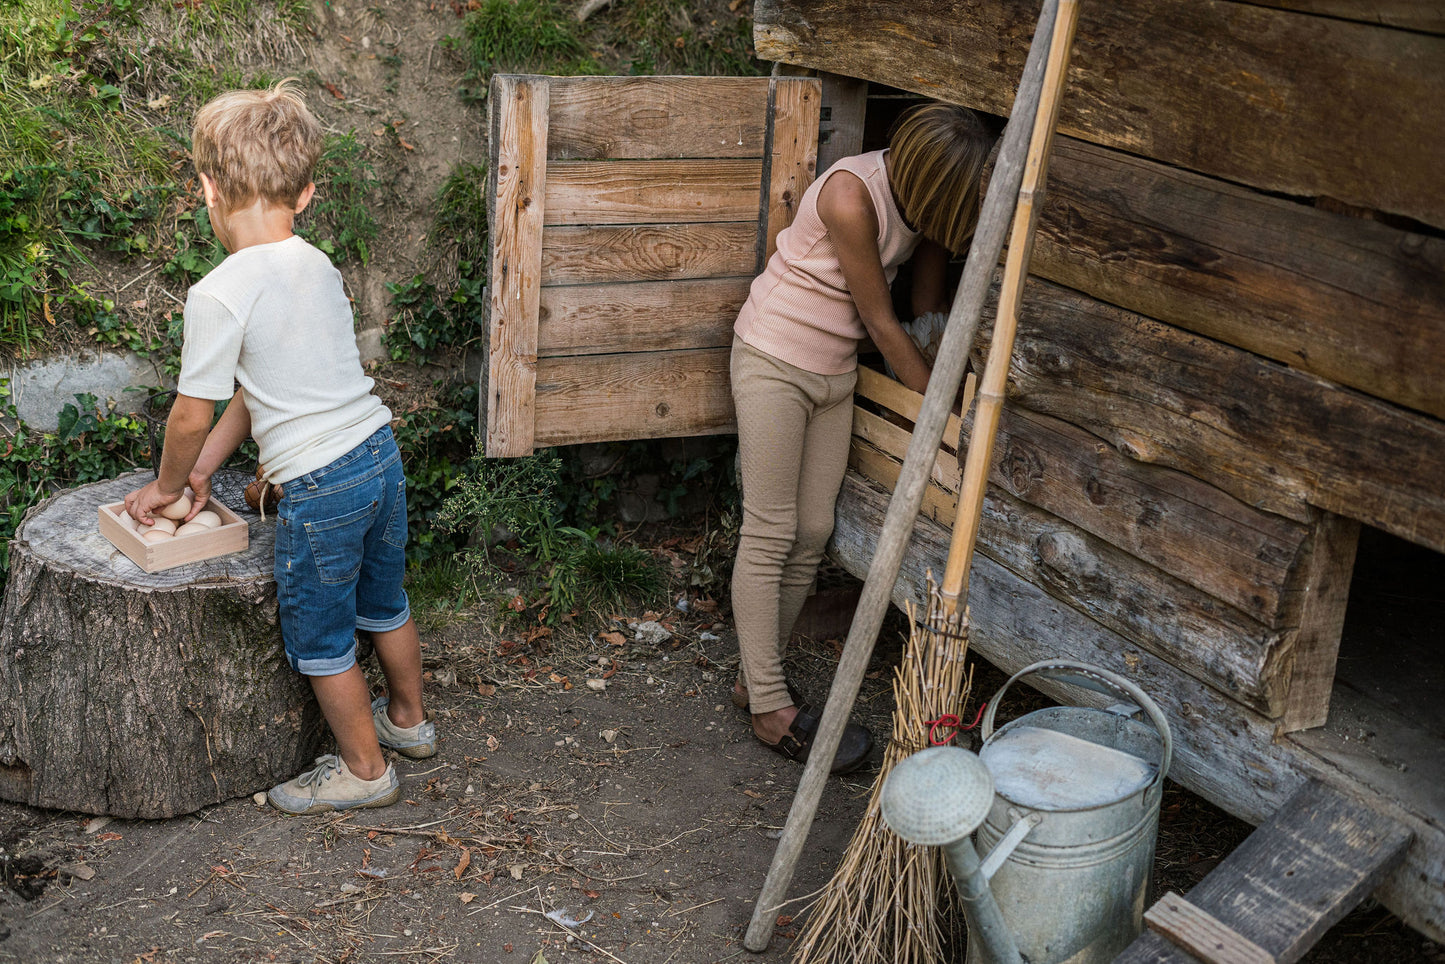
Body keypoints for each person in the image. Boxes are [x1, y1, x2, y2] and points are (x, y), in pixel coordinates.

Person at [124, 79, 434, 814]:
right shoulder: (315, 263)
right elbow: (254, 391)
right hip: (378, 458)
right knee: (384, 602)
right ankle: (409, 725)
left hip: (322, 487)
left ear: (207, 187)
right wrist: (206, 473)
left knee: (321, 635)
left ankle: (363, 772)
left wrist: (170, 485)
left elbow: (192, 413)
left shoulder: (220, 291)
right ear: (306, 194)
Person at [729, 103, 992, 773]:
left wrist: (956, 363)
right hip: (774, 360)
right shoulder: (851, 195)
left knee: (813, 530)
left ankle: (755, 679)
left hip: (832, 373)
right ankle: (769, 708)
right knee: (769, 528)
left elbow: (925, 313)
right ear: (940, 187)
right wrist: (944, 416)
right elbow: (881, 323)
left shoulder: (925, 213)